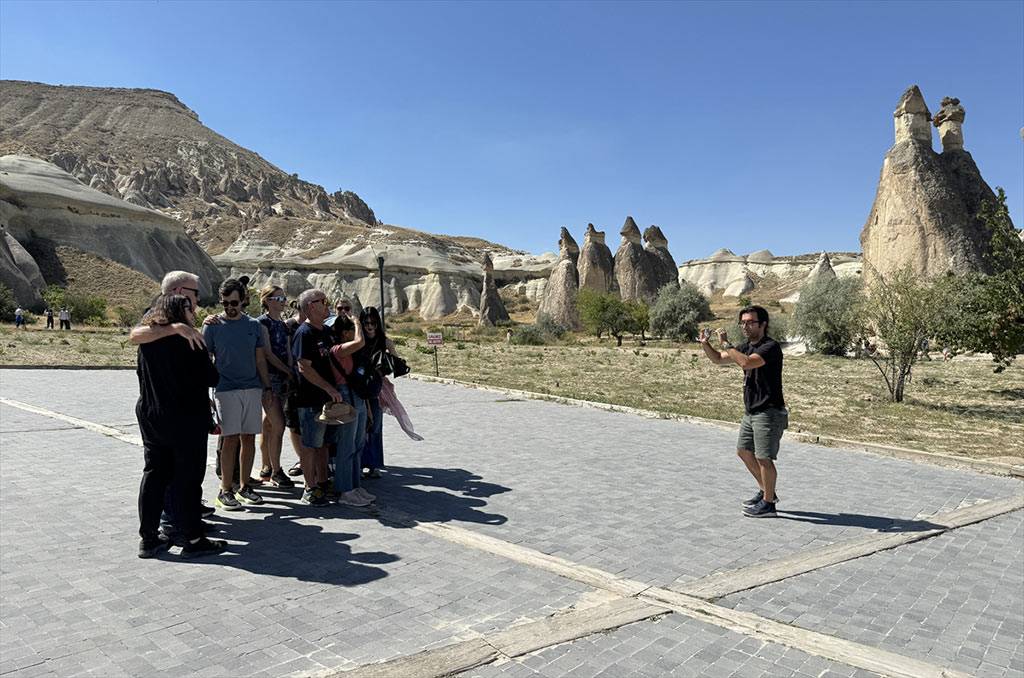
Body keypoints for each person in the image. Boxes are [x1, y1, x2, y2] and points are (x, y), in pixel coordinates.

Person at [135, 294, 225, 558]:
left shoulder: (149, 340)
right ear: (180, 311)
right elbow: (212, 377)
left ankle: (149, 539)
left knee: (154, 475)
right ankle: (194, 539)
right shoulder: (191, 340)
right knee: (187, 479)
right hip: (185, 418)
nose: (194, 310)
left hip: (152, 415)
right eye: (189, 306)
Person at [699, 305, 787, 518]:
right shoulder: (746, 346)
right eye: (743, 322)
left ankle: (768, 505)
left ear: (763, 324)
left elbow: (746, 363)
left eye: (750, 322)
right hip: (751, 412)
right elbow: (719, 359)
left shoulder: (770, 347)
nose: (746, 326)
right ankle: (767, 492)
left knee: (764, 458)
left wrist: (727, 344)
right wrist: (706, 345)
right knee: (744, 452)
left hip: (769, 412)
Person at [203, 278, 273, 511]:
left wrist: (267, 387)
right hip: (226, 389)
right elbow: (205, 359)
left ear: (243, 300)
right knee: (230, 438)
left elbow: (260, 359)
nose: (230, 307)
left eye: (234, 302)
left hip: (252, 388)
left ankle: (244, 486)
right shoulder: (212, 326)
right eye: (225, 303)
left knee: (249, 437)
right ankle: (225, 489)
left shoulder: (253, 326)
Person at [292, 288, 343, 506]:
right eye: (322, 301)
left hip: (327, 400)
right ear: (311, 306)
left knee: (323, 445)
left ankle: (323, 482)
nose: (326, 304)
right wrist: (328, 389)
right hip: (311, 398)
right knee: (310, 445)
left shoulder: (325, 331)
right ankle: (309, 488)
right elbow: (304, 367)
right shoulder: (304, 333)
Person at [327, 312, 371, 506]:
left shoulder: (347, 349)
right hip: (345, 395)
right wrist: (357, 322)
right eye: (352, 330)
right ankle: (345, 490)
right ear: (345, 333)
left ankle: (355, 485)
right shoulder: (337, 350)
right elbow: (361, 341)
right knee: (347, 445)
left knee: (358, 443)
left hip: (356, 394)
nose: (355, 332)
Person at [255, 285, 295, 488]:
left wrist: (289, 370)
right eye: (278, 298)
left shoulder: (283, 324)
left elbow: (287, 350)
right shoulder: (262, 323)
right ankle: (277, 470)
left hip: (283, 379)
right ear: (267, 300)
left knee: (269, 424)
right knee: (278, 424)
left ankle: (267, 466)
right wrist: (287, 370)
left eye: (283, 298)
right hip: (268, 379)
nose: (282, 302)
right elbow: (267, 353)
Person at [357, 306, 401, 479]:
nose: (370, 326)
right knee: (361, 426)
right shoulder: (359, 340)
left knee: (375, 425)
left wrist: (386, 365)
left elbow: (396, 362)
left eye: (373, 323)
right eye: (366, 323)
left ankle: (374, 465)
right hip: (360, 387)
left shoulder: (384, 341)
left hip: (376, 388)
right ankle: (359, 463)